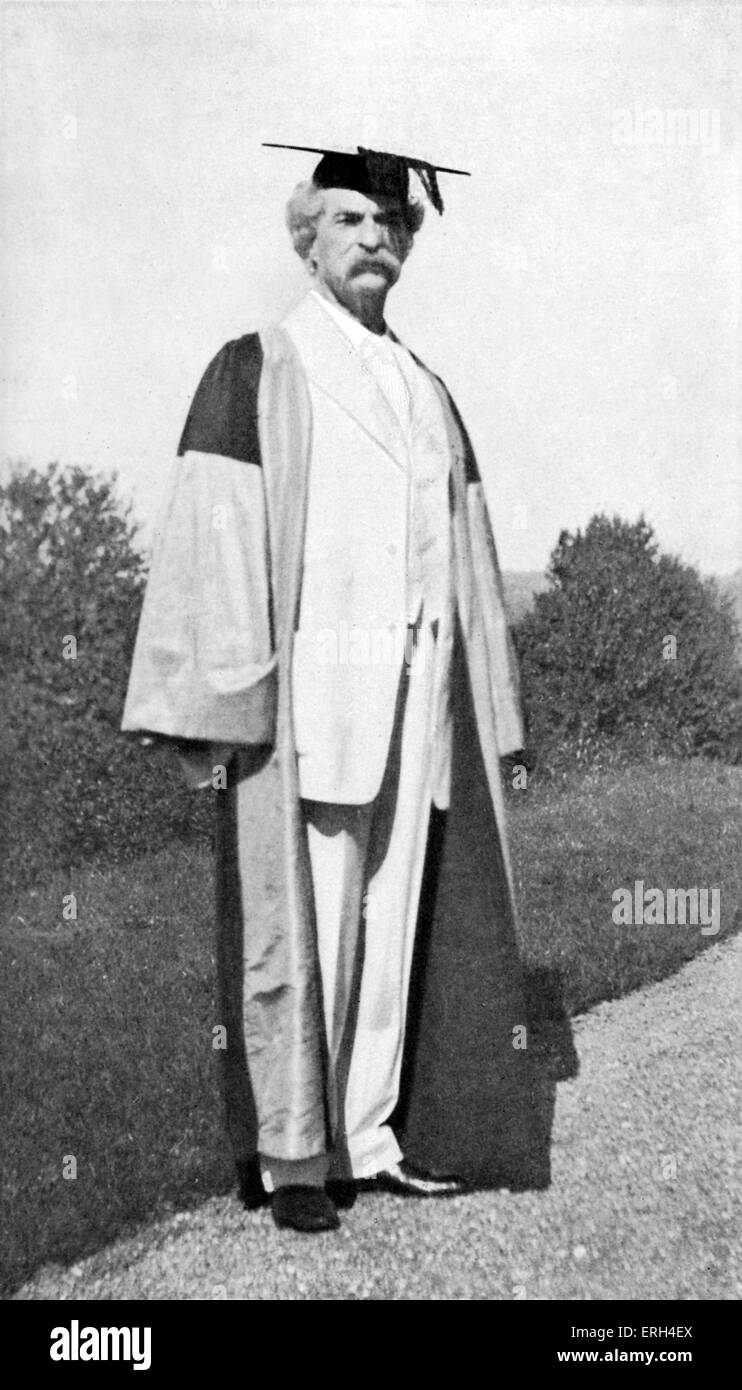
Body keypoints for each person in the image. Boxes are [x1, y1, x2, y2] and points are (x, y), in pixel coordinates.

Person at [122, 144, 543, 1234]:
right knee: (300, 929)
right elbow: (214, 536)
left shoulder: (426, 388)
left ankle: (369, 1134)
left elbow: (467, 553)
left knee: (394, 914)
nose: (373, 239)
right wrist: (222, 701)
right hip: (312, 705)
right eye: (350, 219)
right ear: (306, 235)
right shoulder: (261, 367)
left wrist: (487, 708)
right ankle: (292, 1159)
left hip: (415, 692)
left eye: (390, 224)